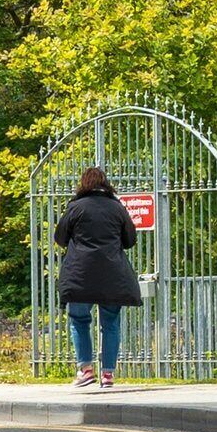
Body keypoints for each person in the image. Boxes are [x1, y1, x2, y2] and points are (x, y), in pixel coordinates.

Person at [54, 165, 142, 391]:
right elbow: (130, 240)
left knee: (79, 320)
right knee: (110, 323)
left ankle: (86, 370)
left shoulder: (75, 208)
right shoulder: (117, 208)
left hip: (80, 276)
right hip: (112, 276)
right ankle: (108, 374)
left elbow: (60, 238)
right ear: (104, 184)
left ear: (83, 184)